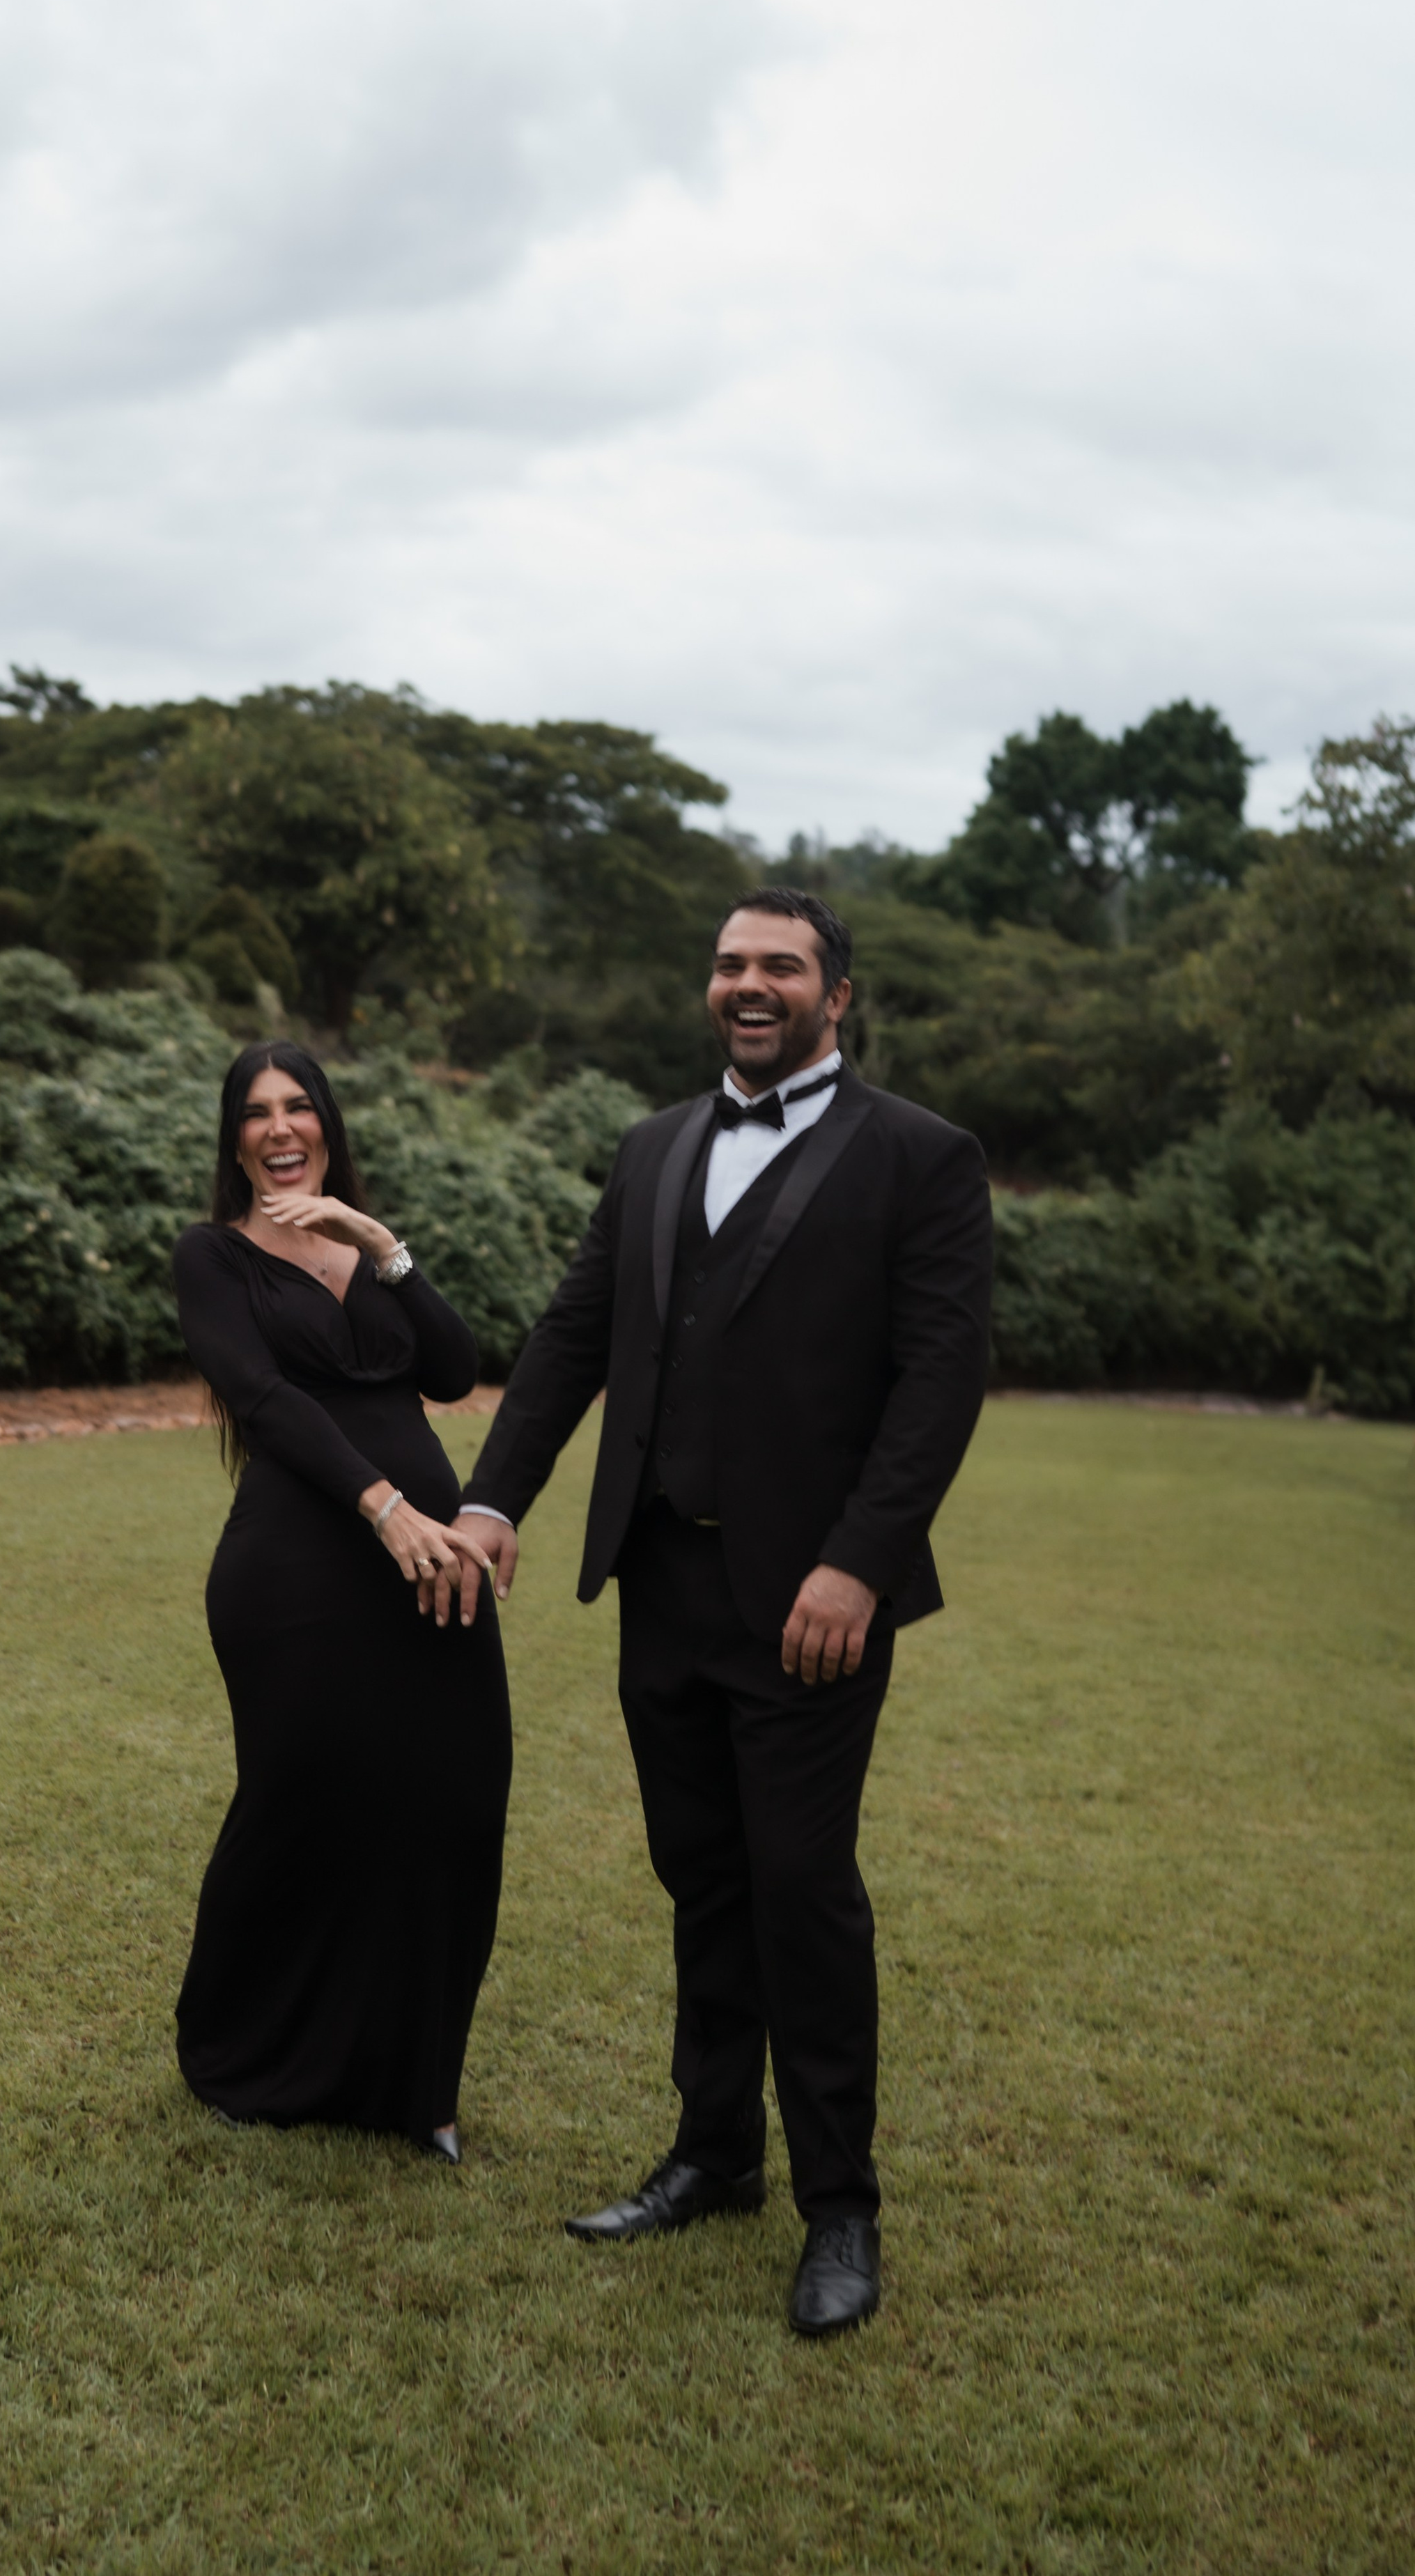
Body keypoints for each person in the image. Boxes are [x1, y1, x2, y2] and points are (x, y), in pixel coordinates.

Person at [452, 889, 993, 2332]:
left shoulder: (921, 1157)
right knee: (700, 1877)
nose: (749, 985)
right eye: (729, 963)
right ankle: (713, 2155)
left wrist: (859, 1563)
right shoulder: (652, 1148)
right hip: (663, 1584)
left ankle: (840, 2209)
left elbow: (940, 1380)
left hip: (813, 1604)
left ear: (836, 994)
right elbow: (573, 1335)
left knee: (801, 1891)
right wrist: (494, 1498)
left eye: (781, 967)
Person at [171, 1041, 511, 2163]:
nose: (280, 1127)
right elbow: (262, 1398)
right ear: (235, 1139)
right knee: (302, 1807)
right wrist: (385, 1507)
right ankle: (239, 2051)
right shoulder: (212, 1257)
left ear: (327, 1126)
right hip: (297, 1576)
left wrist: (381, 1244)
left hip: (433, 1571)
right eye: (257, 1111)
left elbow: (453, 1370)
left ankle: (417, 2085)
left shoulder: (368, 1253)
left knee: (453, 1805)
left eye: (299, 1107)